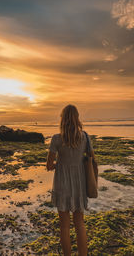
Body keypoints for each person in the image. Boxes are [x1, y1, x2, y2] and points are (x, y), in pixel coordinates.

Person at [46, 104, 96, 256]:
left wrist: (58, 165)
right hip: (79, 184)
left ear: (63, 119)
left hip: (62, 184)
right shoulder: (85, 137)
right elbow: (92, 159)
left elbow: (49, 165)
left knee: (64, 226)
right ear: (77, 118)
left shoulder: (56, 139)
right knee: (80, 224)